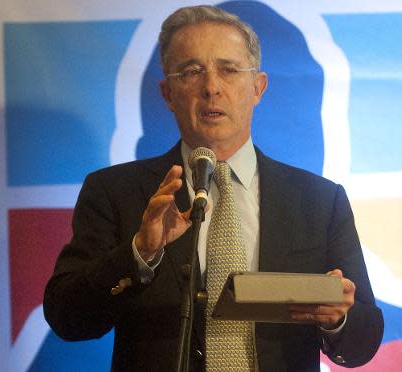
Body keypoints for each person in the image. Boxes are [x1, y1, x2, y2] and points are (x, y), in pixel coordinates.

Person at [43, 5, 383, 371]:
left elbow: (363, 340)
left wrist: (337, 319)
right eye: (191, 72)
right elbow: (67, 318)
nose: (211, 88)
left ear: (258, 87)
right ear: (168, 93)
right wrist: (139, 253)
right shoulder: (115, 192)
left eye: (229, 69)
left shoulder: (319, 201)